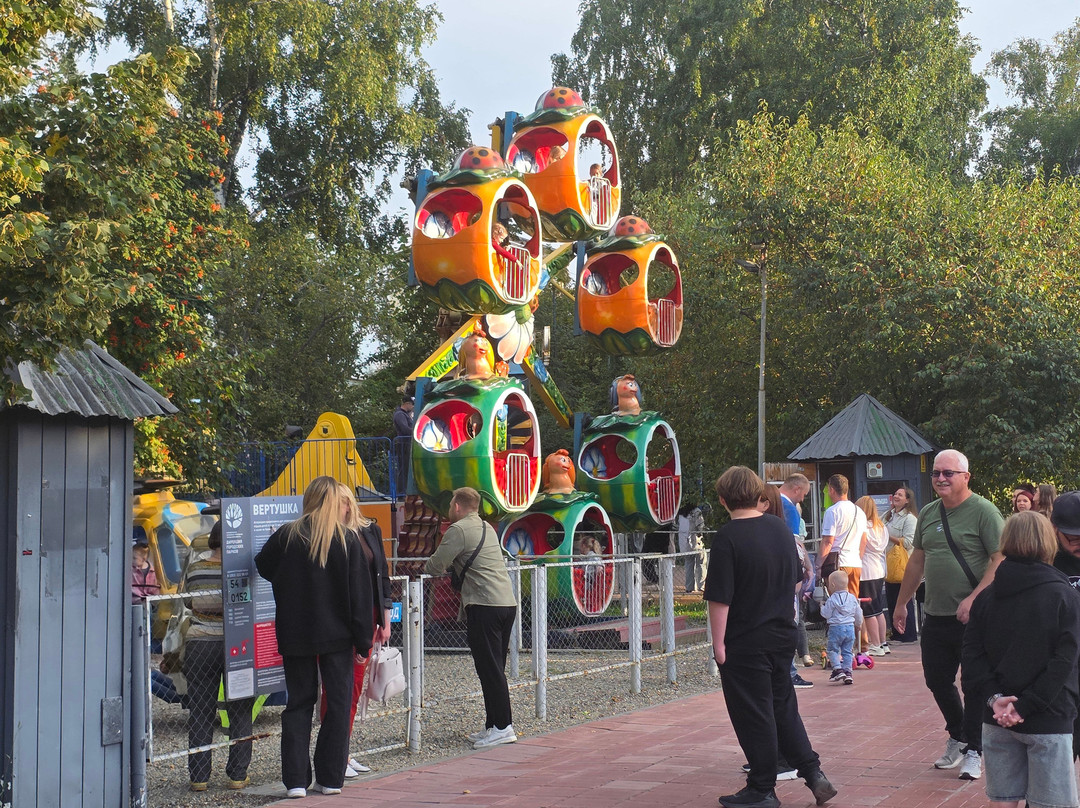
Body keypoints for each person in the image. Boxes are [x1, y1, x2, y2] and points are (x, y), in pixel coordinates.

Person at [706, 465, 836, 808]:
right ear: (759, 494)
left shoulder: (727, 538)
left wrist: (718, 644)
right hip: (782, 635)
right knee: (783, 707)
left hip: (745, 640)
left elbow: (720, 597)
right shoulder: (780, 530)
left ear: (723, 500)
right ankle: (812, 772)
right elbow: (796, 579)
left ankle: (762, 787)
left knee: (754, 712)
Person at [255, 476, 375, 799]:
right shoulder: (348, 540)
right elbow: (360, 597)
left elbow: (262, 565)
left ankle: (295, 781)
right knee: (337, 704)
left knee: (299, 704)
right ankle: (331, 777)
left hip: (295, 634)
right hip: (338, 636)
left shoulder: (287, 535)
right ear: (336, 501)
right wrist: (364, 642)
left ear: (308, 499)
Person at [893, 449, 1004, 781]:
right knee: (936, 679)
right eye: (936, 473)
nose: (941, 478)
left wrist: (974, 598)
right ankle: (959, 734)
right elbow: (916, 561)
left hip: (975, 616)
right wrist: (901, 603)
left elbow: (1000, 560)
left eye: (948, 473)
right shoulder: (928, 513)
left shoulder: (984, 511)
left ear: (965, 477)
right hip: (936, 613)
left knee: (974, 684)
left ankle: (975, 751)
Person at [962, 511, 1080, 808]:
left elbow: (973, 657)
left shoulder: (986, 597)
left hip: (998, 715)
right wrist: (1027, 705)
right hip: (1048, 715)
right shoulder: (1064, 596)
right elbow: (1065, 660)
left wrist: (996, 699)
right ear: (1048, 541)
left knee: (1002, 801)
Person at [424, 487, 518, 749]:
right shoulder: (488, 527)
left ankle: (503, 726)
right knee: (493, 667)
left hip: (483, 604)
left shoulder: (458, 530)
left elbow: (436, 564)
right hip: (505, 603)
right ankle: (493, 724)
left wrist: (426, 566)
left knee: (489, 669)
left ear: (456, 506)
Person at [319, 484, 393, 778]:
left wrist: (385, 619)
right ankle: (337, 755)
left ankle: (342, 753)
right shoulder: (327, 536)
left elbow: (382, 575)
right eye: (337, 503)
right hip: (339, 623)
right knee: (338, 690)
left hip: (368, 619)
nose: (343, 509)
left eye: (345, 503)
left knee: (355, 688)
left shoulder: (369, 531)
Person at [182, 521, 256, 792]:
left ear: (213, 540)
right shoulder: (241, 569)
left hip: (200, 642)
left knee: (201, 710)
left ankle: (199, 777)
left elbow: (187, 601)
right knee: (240, 709)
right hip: (236, 644)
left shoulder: (195, 568)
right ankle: (237, 775)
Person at [1050, 490, 1080, 759]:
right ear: (1055, 529)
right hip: (1059, 681)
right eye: (1072, 535)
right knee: (1056, 768)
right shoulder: (1045, 561)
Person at [817, 474, 866, 597]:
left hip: (838, 563)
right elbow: (863, 540)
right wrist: (858, 557)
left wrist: (818, 565)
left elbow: (828, 541)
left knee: (837, 603)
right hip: (855, 563)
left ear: (832, 490)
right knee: (853, 603)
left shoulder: (832, 511)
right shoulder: (859, 511)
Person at [884, 487, 919, 643]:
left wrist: (887, 536)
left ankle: (908, 633)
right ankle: (897, 632)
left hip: (902, 565)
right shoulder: (888, 516)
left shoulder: (910, 519)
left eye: (900, 494)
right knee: (892, 598)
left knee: (903, 598)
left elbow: (909, 542)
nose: (896, 496)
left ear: (907, 500)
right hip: (888, 564)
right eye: (895, 493)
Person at [855, 496, 889, 656]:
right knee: (878, 609)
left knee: (868, 612)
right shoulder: (881, 527)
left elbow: (860, 548)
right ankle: (883, 642)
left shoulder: (863, 528)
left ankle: (874, 644)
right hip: (879, 569)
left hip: (866, 571)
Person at [821, 569, 862, 685]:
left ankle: (838, 669)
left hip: (836, 628)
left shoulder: (832, 599)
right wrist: (858, 624)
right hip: (849, 628)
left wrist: (821, 607)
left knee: (833, 650)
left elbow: (826, 614)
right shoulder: (852, 598)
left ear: (833, 585)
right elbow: (858, 612)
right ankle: (848, 672)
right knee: (847, 651)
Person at [677, 502, 707, 593]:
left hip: (684, 544)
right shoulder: (697, 512)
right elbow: (700, 527)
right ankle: (701, 586)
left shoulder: (681, 514)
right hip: (695, 543)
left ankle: (689, 587)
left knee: (689, 565)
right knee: (701, 563)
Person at [392, 396, 414, 496]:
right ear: (407, 404)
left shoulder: (404, 414)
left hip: (405, 443)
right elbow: (405, 429)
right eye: (411, 405)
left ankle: (403, 491)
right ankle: (401, 492)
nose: (412, 407)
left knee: (405, 467)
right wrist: (416, 431)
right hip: (403, 443)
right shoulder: (400, 414)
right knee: (403, 468)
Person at [131, 534, 159, 603]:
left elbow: (155, 590)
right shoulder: (130, 570)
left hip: (150, 602)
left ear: (143, 559)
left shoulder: (153, 572)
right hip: (134, 601)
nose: (131, 560)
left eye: (134, 558)